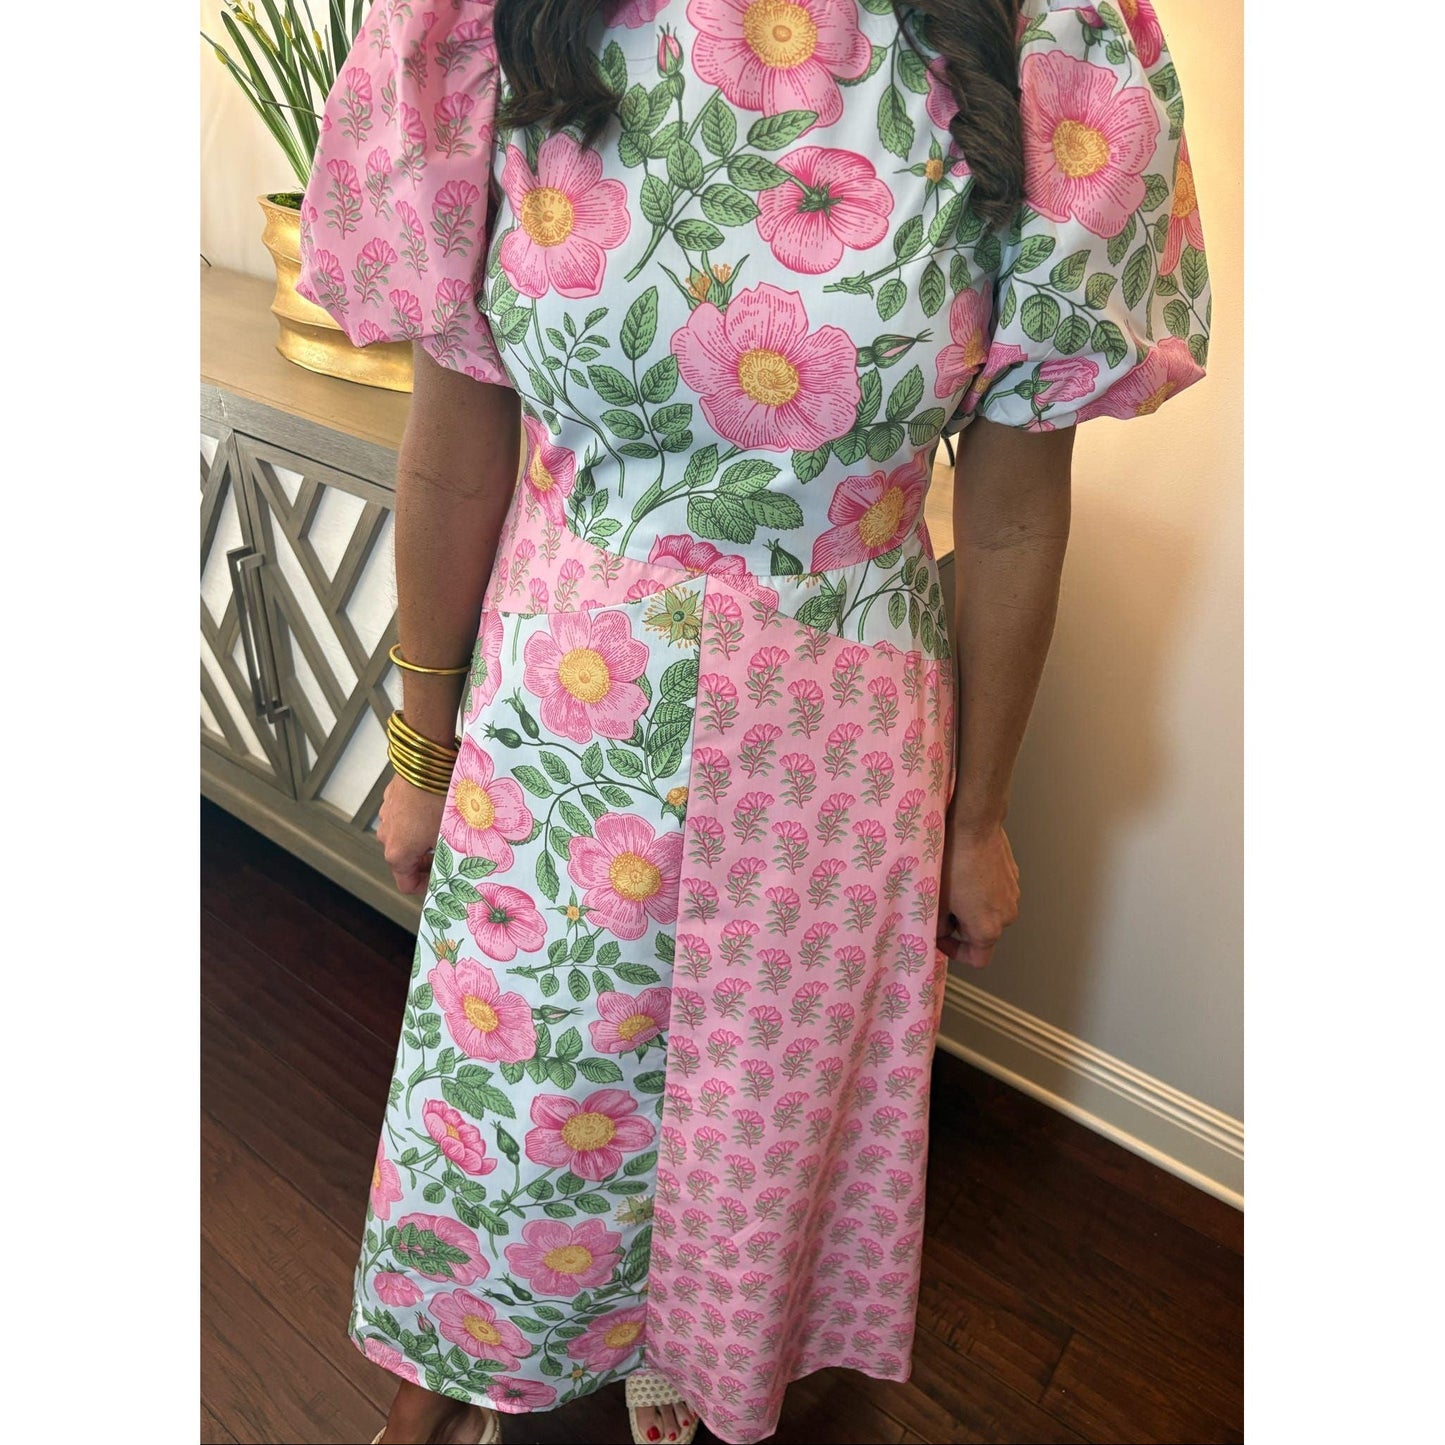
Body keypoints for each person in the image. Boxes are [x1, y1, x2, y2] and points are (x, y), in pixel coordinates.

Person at [294, 1, 1209, 1441]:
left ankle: (691, 1386)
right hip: (560, 720)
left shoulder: (1052, 48)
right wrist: (418, 749)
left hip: (837, 748)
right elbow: (456, 438)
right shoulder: (480, 25)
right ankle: (447, 1379)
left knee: (757, 1145)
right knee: (511, 1109)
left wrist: (978, 815)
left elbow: (1020, 507)